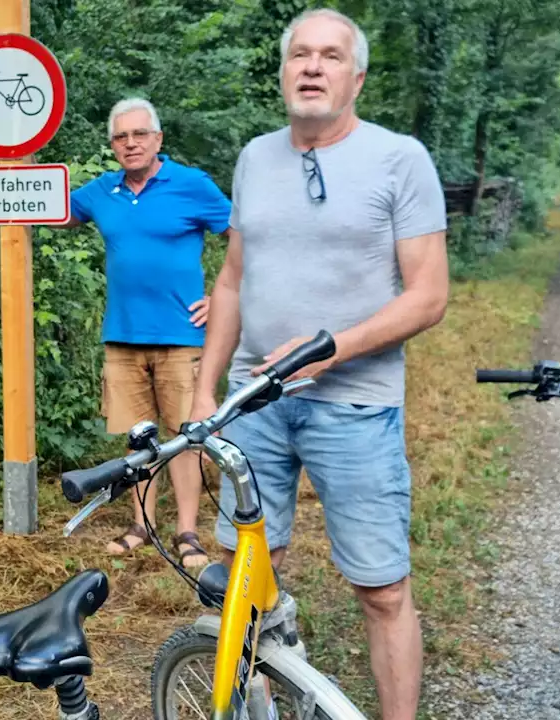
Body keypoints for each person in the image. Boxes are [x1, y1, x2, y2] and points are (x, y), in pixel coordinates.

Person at [189, 8, 449, 720]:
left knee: (382, 588)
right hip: (253, 404)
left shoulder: (400, 159)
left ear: (356, 76)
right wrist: (204, 387)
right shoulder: (254, 157)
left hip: (355, 402)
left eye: (330, 56)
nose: (312, 66)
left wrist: (332, 348)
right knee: (246, 572)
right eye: (300, 55)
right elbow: (234, 279)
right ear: (282, 73)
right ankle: (259, 704)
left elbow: (428, 296)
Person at [66, 97, 232, 569]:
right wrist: (16, 171)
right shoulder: (102, 192)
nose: (131, 143)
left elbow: (244, 235)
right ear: (113, 145)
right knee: (138, 439)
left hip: (183, 337)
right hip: (122, 338)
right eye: (121, 137)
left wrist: (223, 299)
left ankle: (187, 532)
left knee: (184, 437)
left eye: (140, 134)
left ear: (158, 139)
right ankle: (141, 524)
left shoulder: (191, 185)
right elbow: (47, 208)